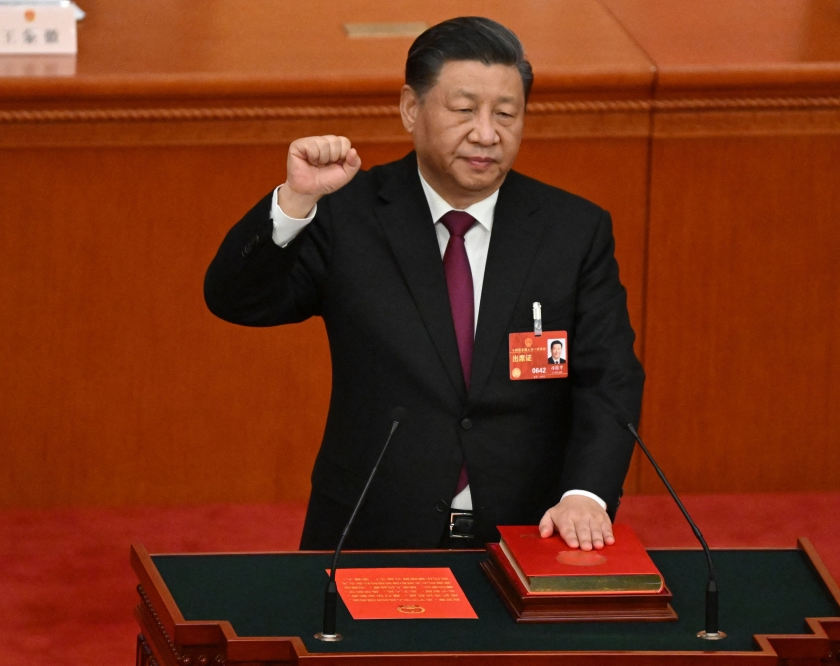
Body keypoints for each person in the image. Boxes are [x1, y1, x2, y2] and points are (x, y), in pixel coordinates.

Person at [204, 17, 644, 552]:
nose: (487, 134)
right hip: (373, 532)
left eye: (506, 114)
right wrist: (295, 202)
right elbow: (236, 299)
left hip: (529, 534)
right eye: (464, 110)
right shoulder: (348, 216)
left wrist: (586, 495)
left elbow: (609, 377)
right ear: (411, 108)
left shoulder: (572, 230)